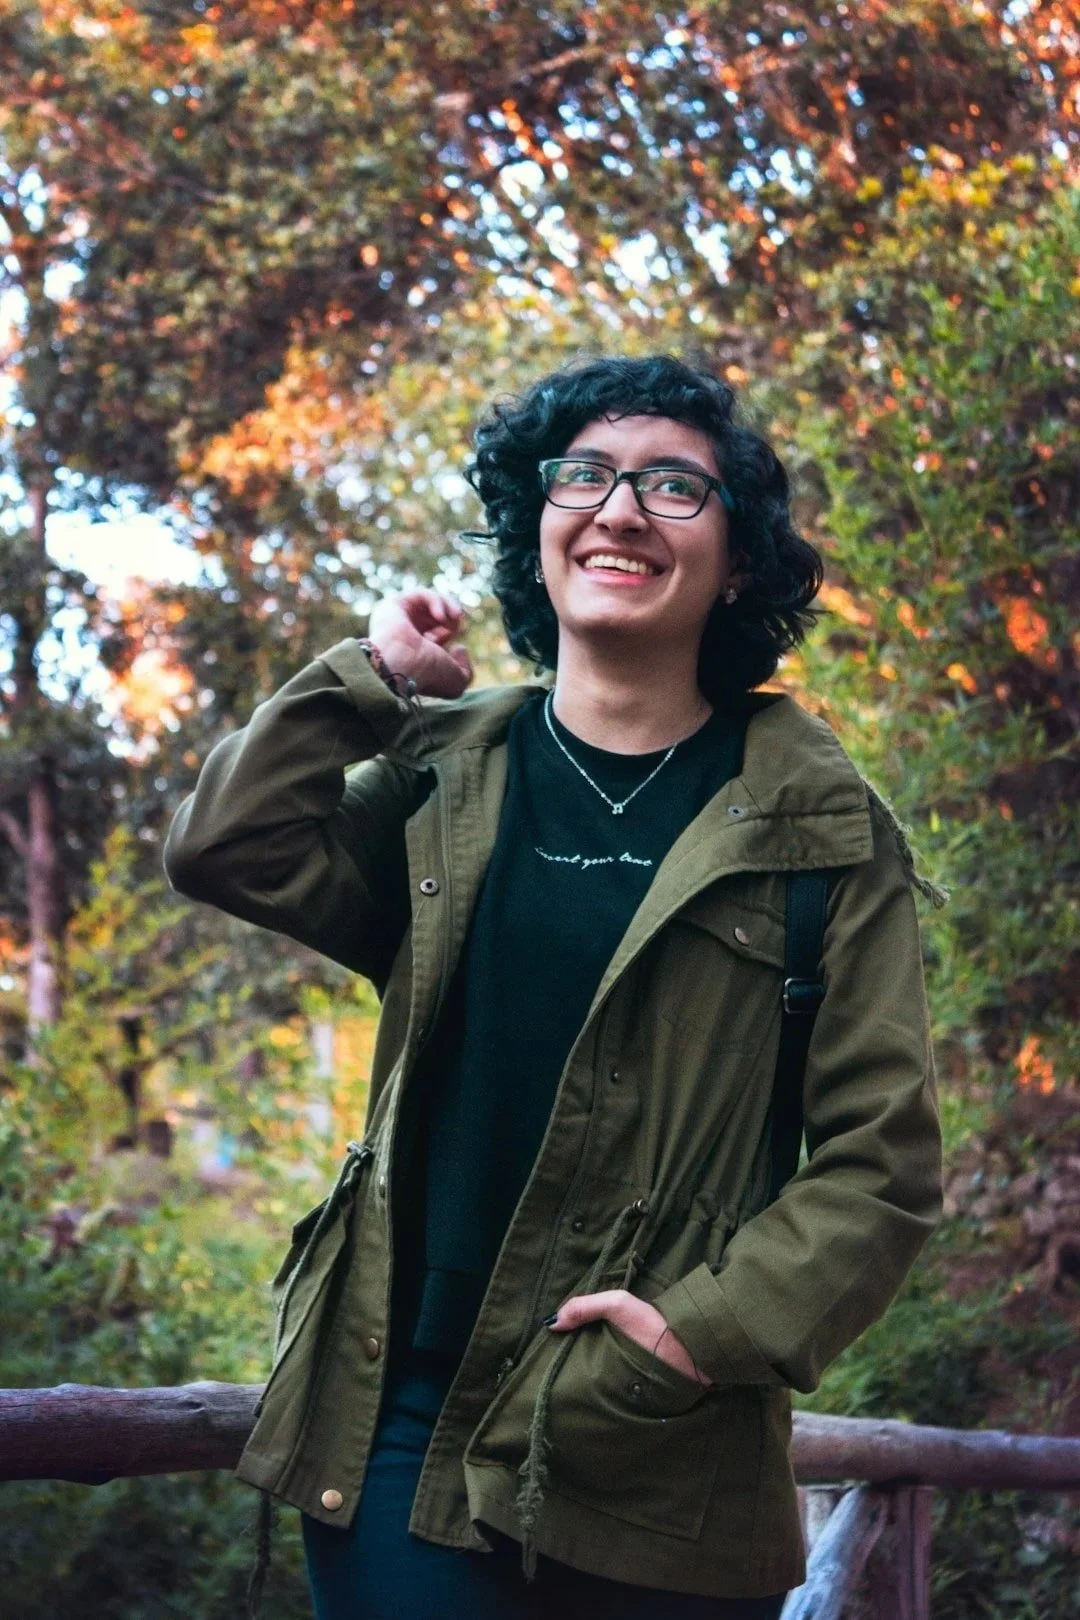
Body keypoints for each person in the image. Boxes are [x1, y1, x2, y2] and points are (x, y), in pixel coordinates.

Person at [163, 354, 944, 1620]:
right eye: (586, 475)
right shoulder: (441, 777)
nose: (622, 508)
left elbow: (882, 1162)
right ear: (543, 528)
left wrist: (705, 1332)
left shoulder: (823, 829)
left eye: (675, 489)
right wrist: (365, 681)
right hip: (398, 1426)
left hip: (661, 1447)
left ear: (736, 562)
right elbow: (227, 847)